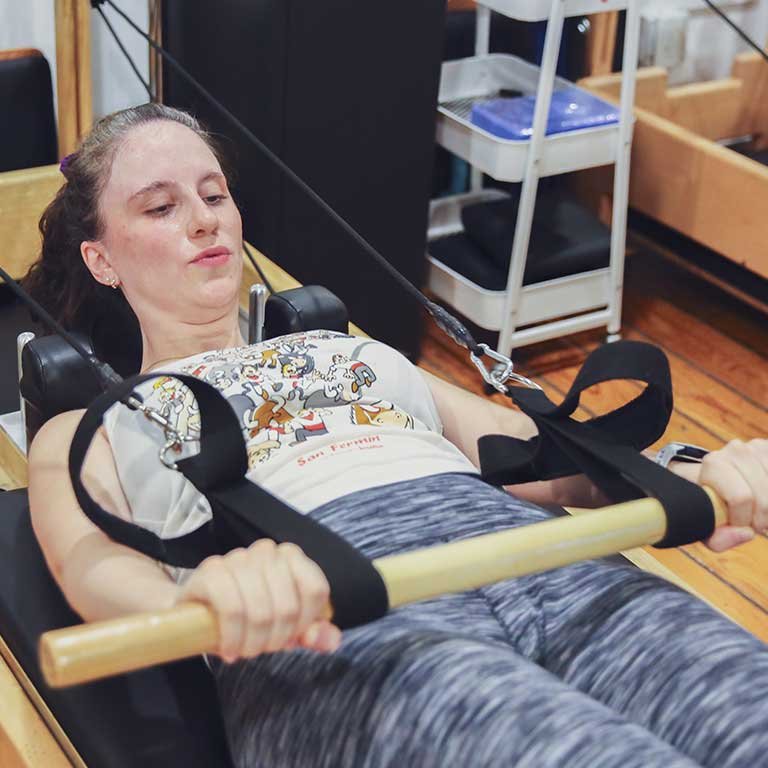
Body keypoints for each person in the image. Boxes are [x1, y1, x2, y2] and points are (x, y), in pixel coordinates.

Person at [25, 104, 768, 768]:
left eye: (214, 195)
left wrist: (686, 472)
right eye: (161, 207)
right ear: (102, 259)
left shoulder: (347, 349)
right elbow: (87, 567)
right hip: (329, 610)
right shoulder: (90, 426)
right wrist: (203, 603)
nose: (203, 219)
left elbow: (533, 454)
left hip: (534, 553)